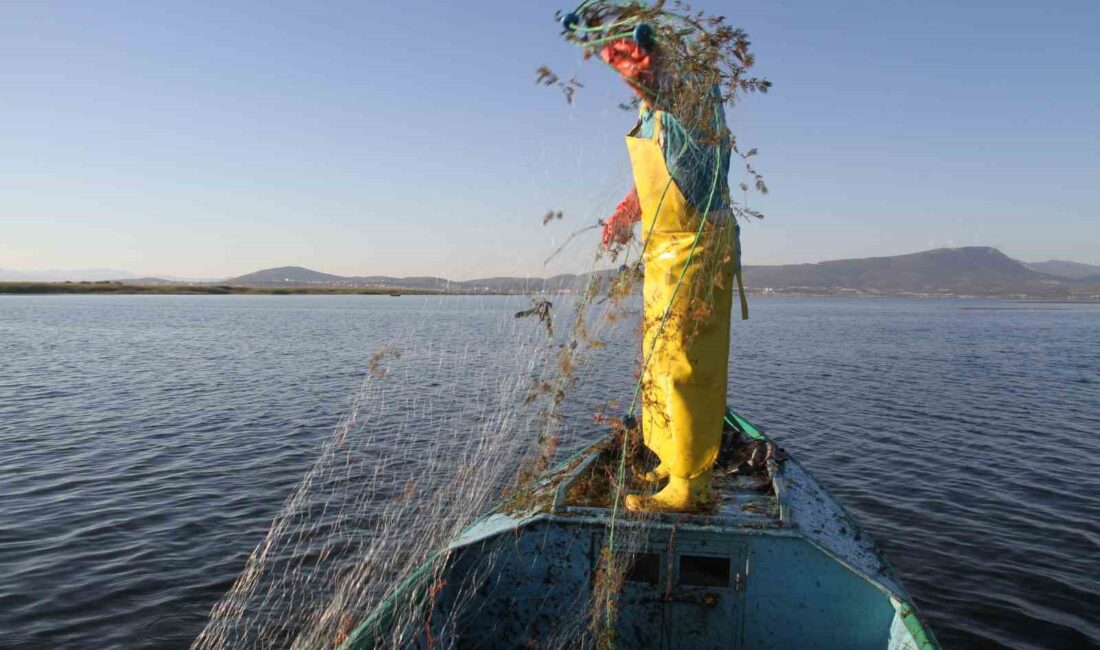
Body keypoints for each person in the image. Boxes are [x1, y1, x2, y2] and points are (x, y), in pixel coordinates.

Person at [600, 37, 746, 512]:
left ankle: (691, 485)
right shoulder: (651, 113)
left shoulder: (695, 97)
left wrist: (647, 76)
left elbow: (674, 117)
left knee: (687, 361)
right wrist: (625, 213)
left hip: (699, 244)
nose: (635, 81)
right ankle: (667, 457)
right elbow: (660, 171)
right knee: (659, 356)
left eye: (640, 70)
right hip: (662, 248)